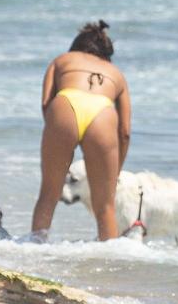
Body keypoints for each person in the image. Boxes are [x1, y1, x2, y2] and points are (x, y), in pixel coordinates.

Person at [30, 21, 131, 242]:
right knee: (105, 206)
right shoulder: (117, 74)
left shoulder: (61, 60)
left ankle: (35, 248)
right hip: (103, 114)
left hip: (65, 105)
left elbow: (46, 103)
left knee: (48, 194)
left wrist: (60, 137)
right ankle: (109, 264)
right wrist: (115, 172)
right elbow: (124, 131)